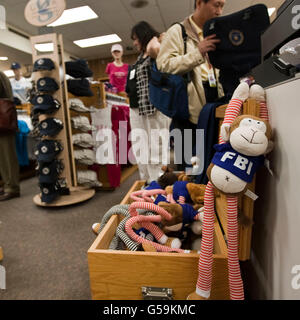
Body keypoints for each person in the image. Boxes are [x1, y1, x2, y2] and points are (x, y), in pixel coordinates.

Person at [156, 0, 226, 170]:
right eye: (216, 5)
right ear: (200, 3)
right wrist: (198, 53)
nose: (219, 11)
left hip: (214, 100)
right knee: (188, 167)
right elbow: (164, 65)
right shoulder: (178, 31)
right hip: (187, 109)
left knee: (210, 161)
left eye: (222, 6)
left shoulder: (215, 30)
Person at [127, 21, 171, 183]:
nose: (134, 42)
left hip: (155, 108)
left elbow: (155, 48)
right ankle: (146, 182)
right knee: (140, 147)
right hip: (138, 109)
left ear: (143, 35)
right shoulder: (140, 58)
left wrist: (155, 38)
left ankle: (157, 182)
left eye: (136, 38)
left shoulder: (155, 49)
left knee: (156, 147)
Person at [0, 71, 20, 201]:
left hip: (3, 119)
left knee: (7, 156)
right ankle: (7, 183)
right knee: (3, 156)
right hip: (3, 119)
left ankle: (12, 187)